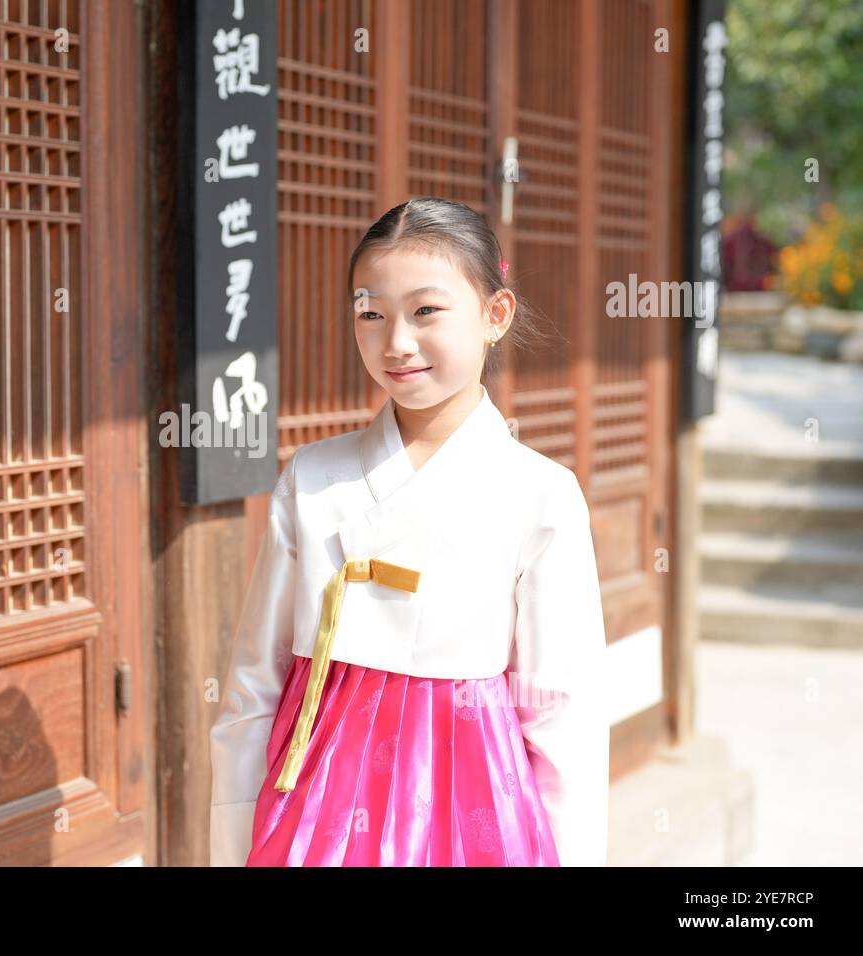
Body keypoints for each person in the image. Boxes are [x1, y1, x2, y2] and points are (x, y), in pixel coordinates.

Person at [208, 197, 610, 867]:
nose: (396, 342)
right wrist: (233, 841)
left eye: (426, 311)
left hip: (471, 797)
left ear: (495, 315)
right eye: (371, 312)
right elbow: (254, 682)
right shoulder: (313, 477)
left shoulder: (540, 493)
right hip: (318, 796)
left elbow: (562, 712)